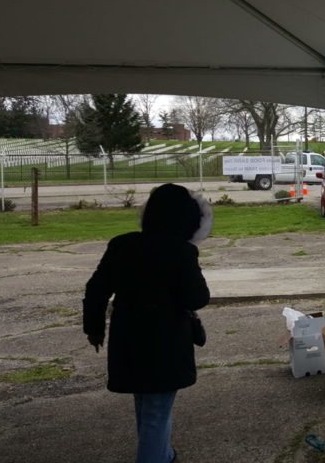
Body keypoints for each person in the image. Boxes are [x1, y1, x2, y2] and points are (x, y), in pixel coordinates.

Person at [83, 183, 211, 463]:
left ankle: (164, 454)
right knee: (156, 411)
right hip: (165, 343)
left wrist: (94, 329)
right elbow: (197, 298)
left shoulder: (122, 244)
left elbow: (96, 290)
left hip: (127, 337)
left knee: (146, 404)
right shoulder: (182, 251)